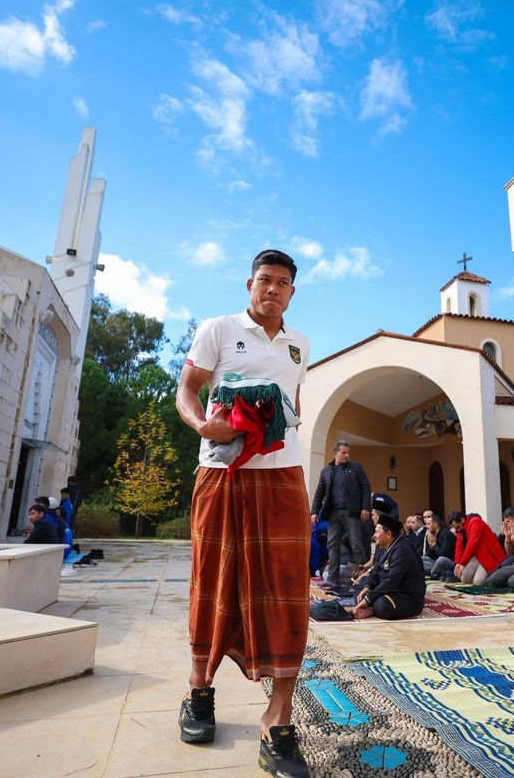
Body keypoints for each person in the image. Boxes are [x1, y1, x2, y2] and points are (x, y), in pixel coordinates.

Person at [175, 249, 311, 777]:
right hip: (222, 473)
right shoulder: (218, 328)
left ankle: (277, 721)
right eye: (264, 281)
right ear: (248, 285)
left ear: (292, 293)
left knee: (286, 588)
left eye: (282, 283)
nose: (272, 289)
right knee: (212, 581)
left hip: (281, 475)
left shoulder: (301, 344)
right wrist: (202, 426)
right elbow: (187, 389)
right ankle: (199, 692)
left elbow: (293, 403)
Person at [310, 440, 371, 591]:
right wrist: (314, 512)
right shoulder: (326, 471)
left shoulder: (356, 468)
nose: (347, 455)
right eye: (343, 452)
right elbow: (319, 493)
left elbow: (366, 488)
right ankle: (332, 580)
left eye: (348, 452)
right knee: (333, 545)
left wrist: (365, 508)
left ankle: (360, 578)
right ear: (335, 453)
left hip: (352, 512)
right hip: (333, 513)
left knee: (356, 544)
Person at [350, 514, 425, 620]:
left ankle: (372, 609)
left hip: (406, 596)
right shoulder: (382, 547)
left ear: (389, 534)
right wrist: (368, 587)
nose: (374, 535)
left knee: (382, 605)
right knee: (360, 588)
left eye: (377, 532)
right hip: (387, 590)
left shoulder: (403, 550)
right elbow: (375, 572)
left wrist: (368, 599)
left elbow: (391, 581)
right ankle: (370, 604)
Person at [450, 511, 504, 586]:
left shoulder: (476, 522)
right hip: (478, 556)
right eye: (455, 528)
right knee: (464, 578)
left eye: (458, 527)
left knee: (478, 582)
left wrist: (463, 563)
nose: (457, 530)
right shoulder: (460, 529)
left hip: (490, 555)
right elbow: (459, 546)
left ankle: (495, 575)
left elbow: (471, 544)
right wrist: (458, 563)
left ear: (462, 520)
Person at [423, 513, 457, 578]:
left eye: (428, 524)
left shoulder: (446, 534)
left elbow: (443, 555)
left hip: (450, 562)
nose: (426, 526)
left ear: (435, 525)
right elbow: (431, 556)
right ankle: (434, 572)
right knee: (421, 558)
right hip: (437, 562)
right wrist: (431, 545)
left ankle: (431, 573)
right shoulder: (434, 534)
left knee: (441, 560)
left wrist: (434, 544)